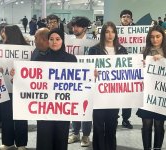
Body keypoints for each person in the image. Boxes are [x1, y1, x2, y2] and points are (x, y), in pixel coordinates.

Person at [35, 28, 77, 150]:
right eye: (51, 39)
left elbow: (79, 81)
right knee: (44, 139)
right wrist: (17, 76)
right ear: (48, 41)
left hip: (62, 108)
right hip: (44, 109)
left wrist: (92, 75)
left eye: (57, 39)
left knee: (61, 138)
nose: (54, 42)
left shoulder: (71, 59)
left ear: (62, 41)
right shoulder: (39, 59)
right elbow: (30, 80)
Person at [89, 21, 128, 150]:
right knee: (98, 126)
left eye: (112, 31)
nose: (110, 35)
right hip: (98, 95)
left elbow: (128, 71)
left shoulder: (122, 50)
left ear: (116, 33)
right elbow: (88, 70)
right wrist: (92, 73)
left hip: (114, 96)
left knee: (111, 126)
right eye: (107, 31)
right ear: (102, 33)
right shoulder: (94, 49)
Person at [136, 25, 166, 150]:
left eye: (158, 36)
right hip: (147, 95)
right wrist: (141, 64)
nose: (155, 39)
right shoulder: (145, 51)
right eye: (152, 37)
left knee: (159, 124)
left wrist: (163, 60)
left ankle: (157, 148)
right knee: (146, 124)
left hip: (161, 95)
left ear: (163, 37)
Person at [0, 25, 28, 150]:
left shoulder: (27, 49)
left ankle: (21, 144)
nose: (2, 34)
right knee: (7, 115)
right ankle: (8, 142)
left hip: (22, 87)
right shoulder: (1, 48)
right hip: (6, 87)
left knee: (21, 115)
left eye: (4, 32)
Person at [68, 16, 92, 147]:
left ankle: (86, 135)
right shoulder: (69, 41)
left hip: (87, 79)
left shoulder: (92, 42)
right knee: (74, 107)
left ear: (84, 28)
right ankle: (75, 133)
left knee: (86, 108)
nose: (74, 28)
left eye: (77, 26)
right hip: (72, 78)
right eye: (73, 26)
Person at [119, 9, 134, 129]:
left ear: (131, 19)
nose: (126, 18)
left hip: (131, 67)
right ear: (120, 19)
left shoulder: (138, 31)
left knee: (127, 96)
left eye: (128, 17)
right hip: (117, 67)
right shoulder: (114, 31)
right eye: (124, 16)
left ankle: (125, 119)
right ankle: (114, 118)